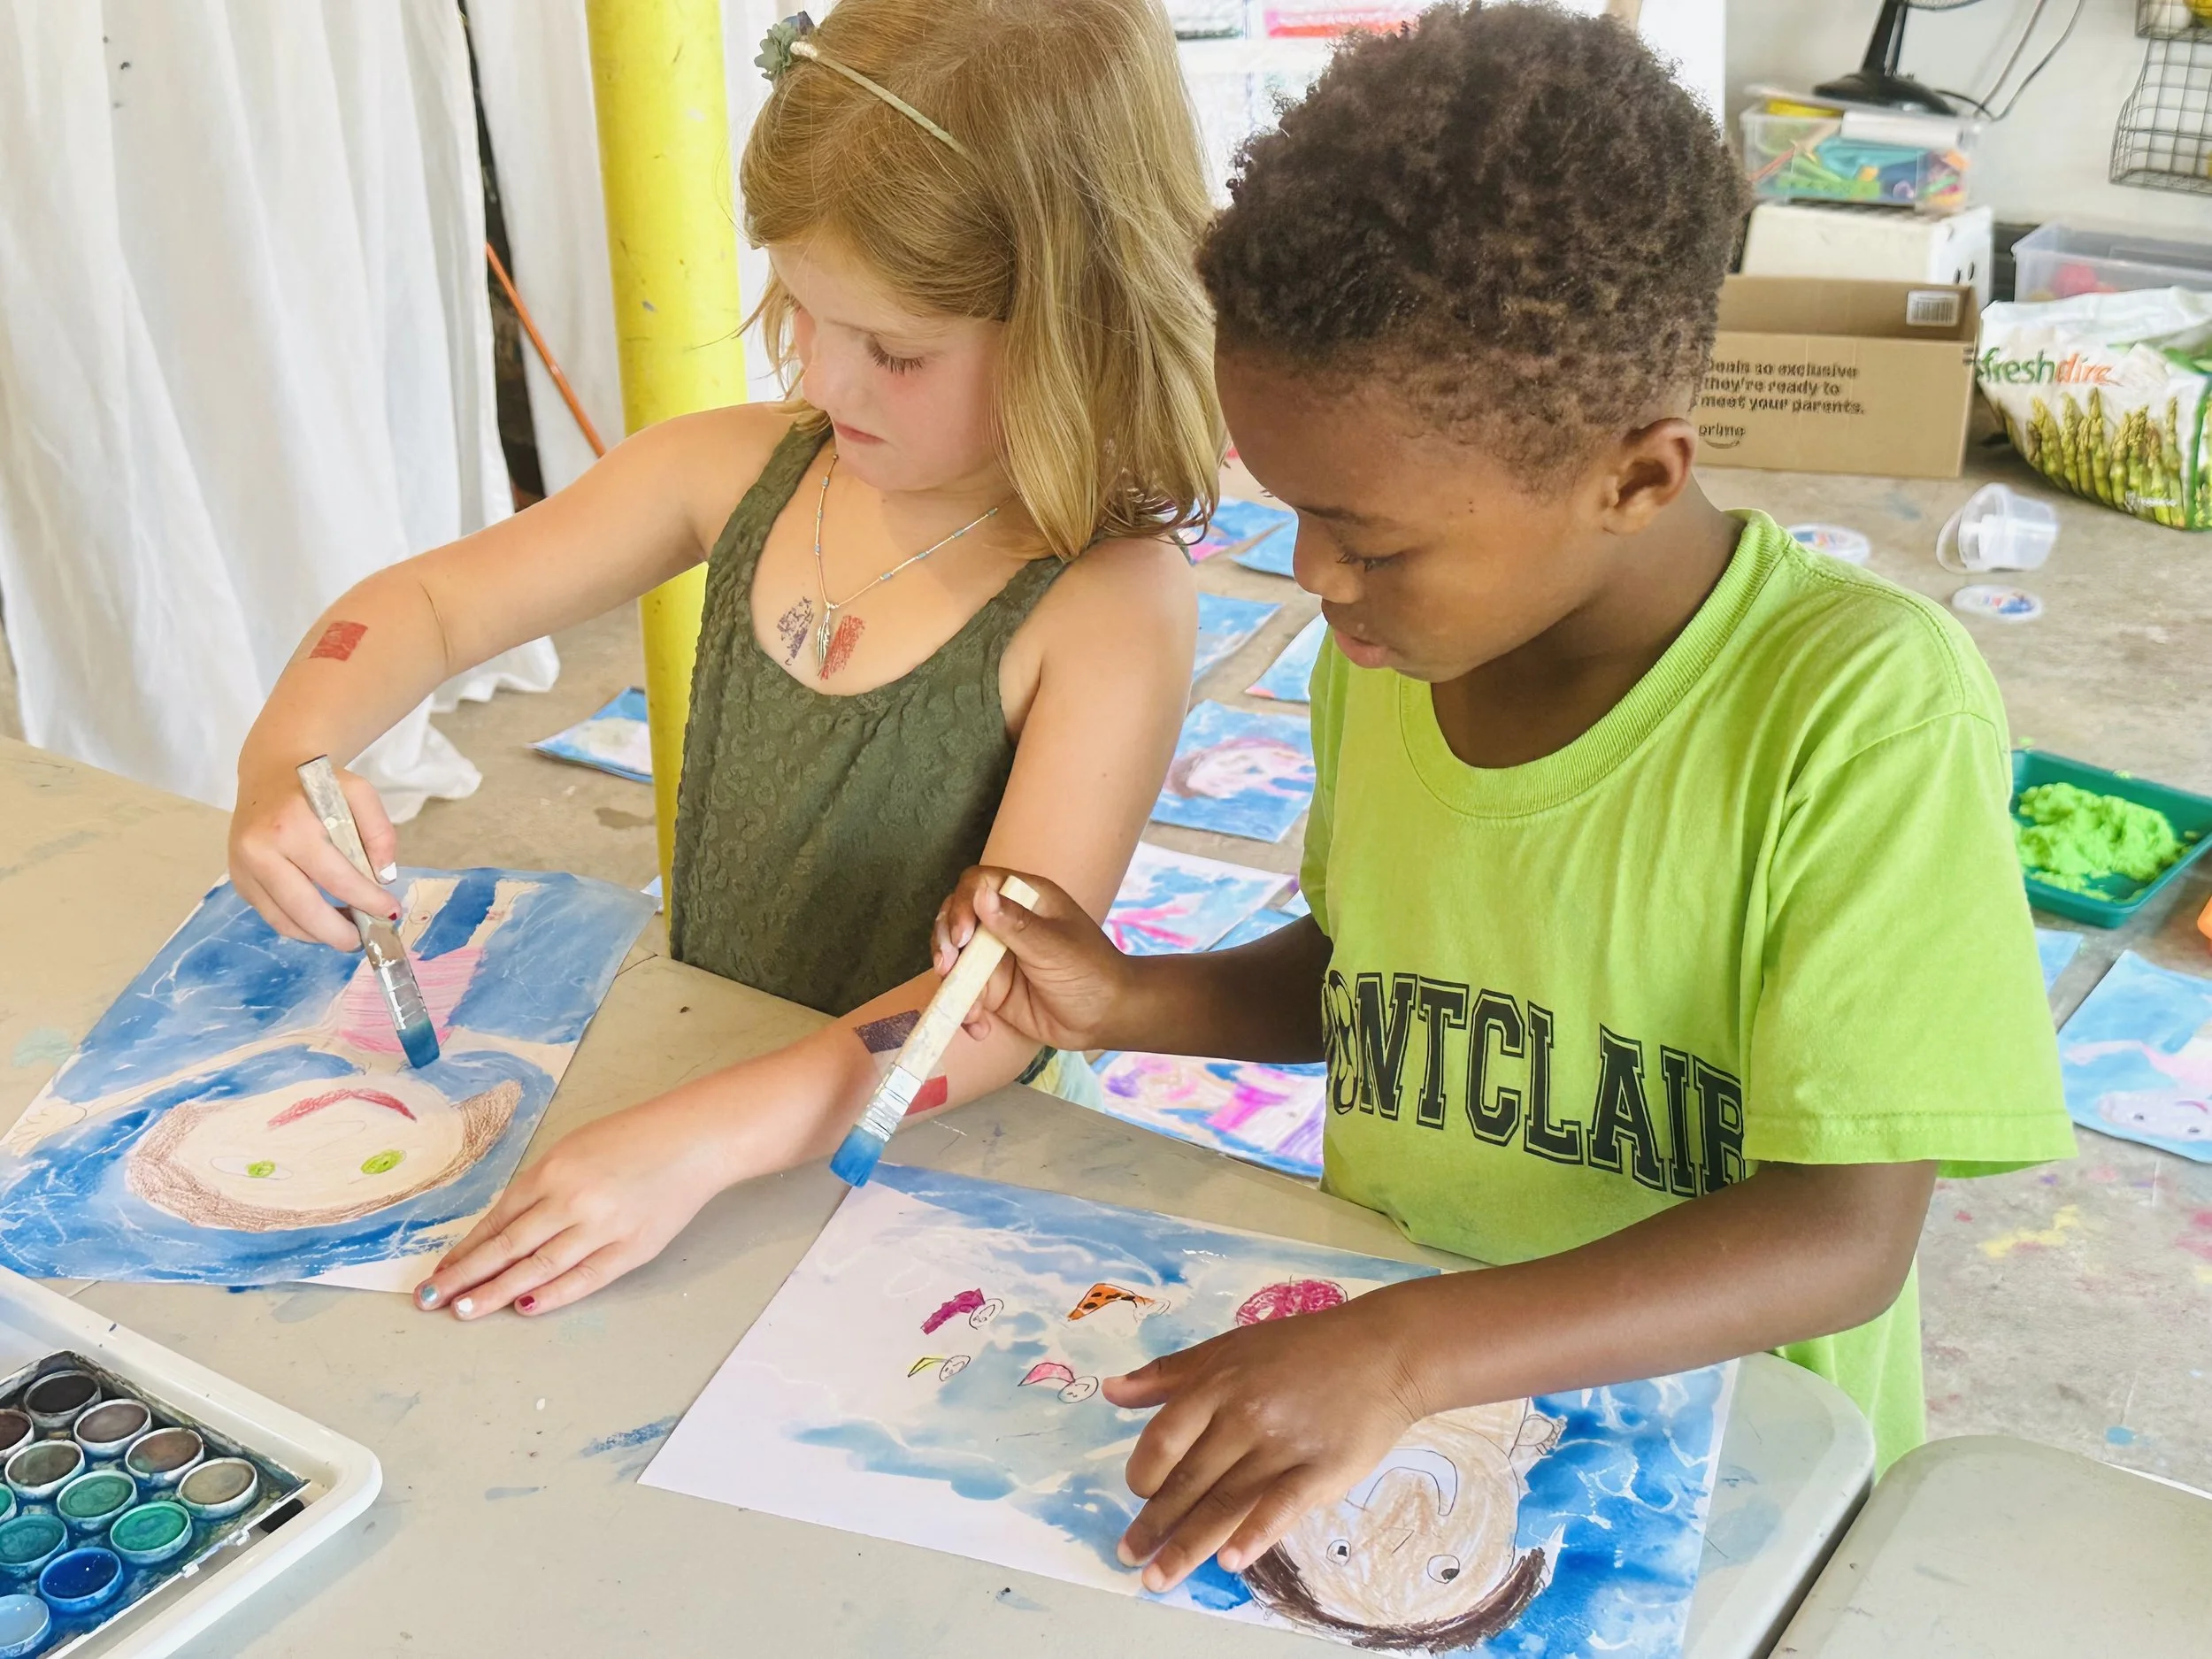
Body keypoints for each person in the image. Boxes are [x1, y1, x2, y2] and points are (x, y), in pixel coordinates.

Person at [933, 3, 2071, 1596]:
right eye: (1297, 513)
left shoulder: (1859, 715)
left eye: (1370, 537)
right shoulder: (1387, 655)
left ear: (1639, 476)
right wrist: (1130, 998)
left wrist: (1403, 1351)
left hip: (1703, 1482)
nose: (1314, 579)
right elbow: (1386, 980)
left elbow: (1843, 1233)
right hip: (1386, 1408)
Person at [226, 0, 1220, 1317]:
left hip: (934, 1153)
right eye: (799, 307)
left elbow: (995, 1001)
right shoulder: (734, 467)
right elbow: (429, 605)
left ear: (1076, 324)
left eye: (897, 352)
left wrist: (694, 1141)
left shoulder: (1109, 604)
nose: (826, 376)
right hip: (704, 1078)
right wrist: (285, 761)